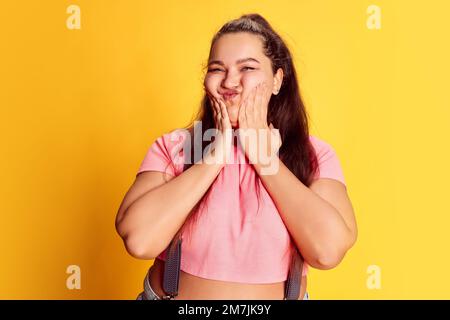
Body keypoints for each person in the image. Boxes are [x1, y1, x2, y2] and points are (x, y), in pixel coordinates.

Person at [115, 13, 357, 300]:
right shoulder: (176, 147)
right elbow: (139, 242)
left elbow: (327, 252)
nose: (230, 81)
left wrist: (264, 159)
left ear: (277, 80)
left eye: (248, 68)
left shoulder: (314, 155)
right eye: (218, 68)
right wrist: (214, 157)